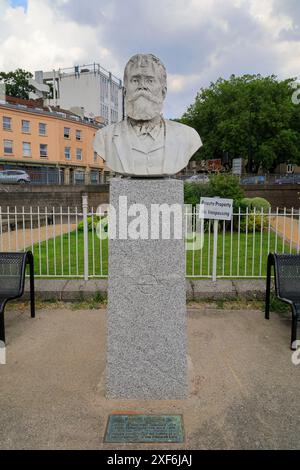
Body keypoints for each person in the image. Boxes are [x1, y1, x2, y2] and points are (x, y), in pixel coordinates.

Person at [93, 53, 202, 176]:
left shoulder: (187, 136)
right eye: (135, 80)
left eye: (150, 81)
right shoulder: (104, 137)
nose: (142, 87)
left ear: (163, 92)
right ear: (124, 91)